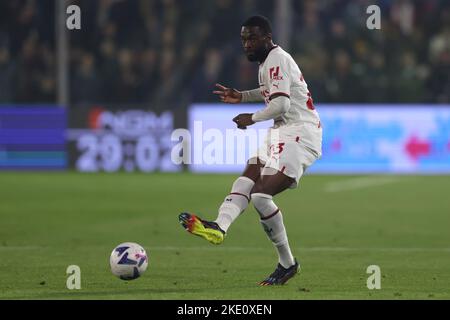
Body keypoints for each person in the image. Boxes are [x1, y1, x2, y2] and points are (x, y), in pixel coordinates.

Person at [179, 15, 322, 286]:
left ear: (267, 37)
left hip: (300, 133)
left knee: (260, 196)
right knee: (247, 176)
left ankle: (287, 263)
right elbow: (272, 92)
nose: (246, 44)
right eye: (243, 39)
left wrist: (251, 117)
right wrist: (242, 96)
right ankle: (219, 226)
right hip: (282, 132)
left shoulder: (277, 59)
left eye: (252, 38)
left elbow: (280, 104)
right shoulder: (267, 63)